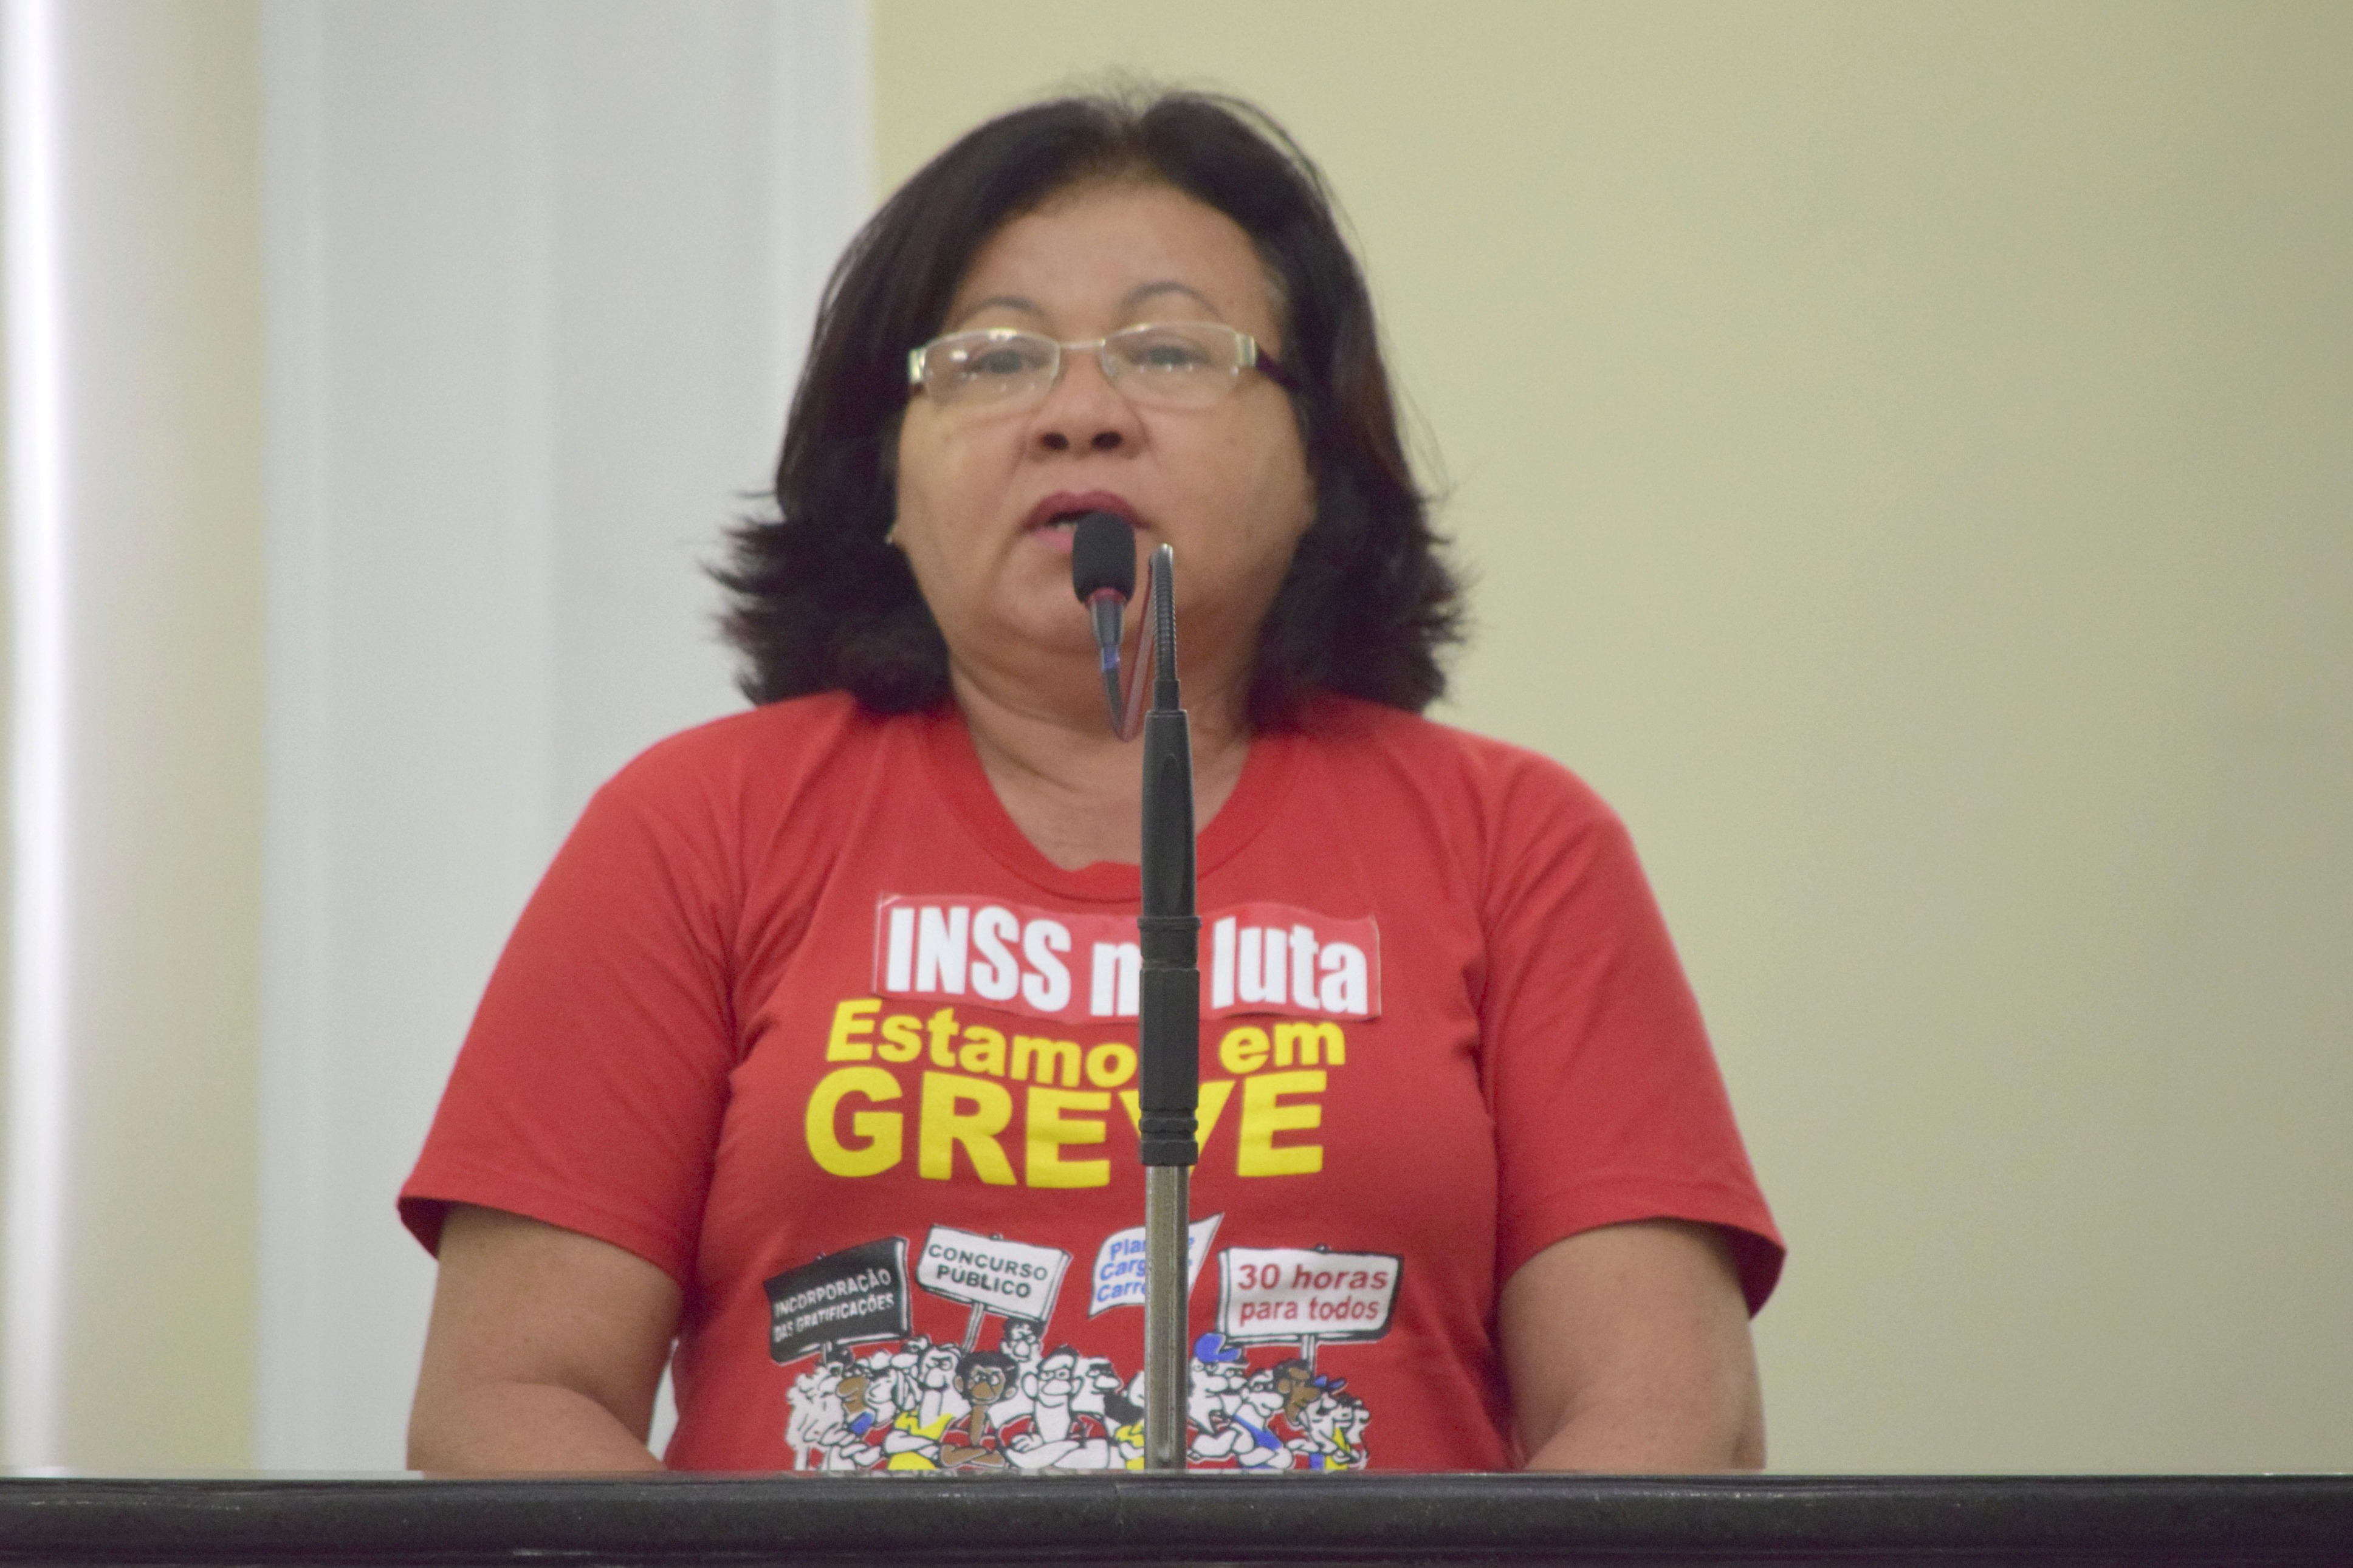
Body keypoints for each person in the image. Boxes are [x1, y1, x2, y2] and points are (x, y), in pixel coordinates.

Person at [400, 87, 1782, 1474]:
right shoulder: (700, 825)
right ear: (885, 477)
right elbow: (507, 1402)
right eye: (992, 360)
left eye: (1168, 349)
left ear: (1319, 460)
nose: (1078, 413)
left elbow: (1667, 1417)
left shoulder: (1515, 845)